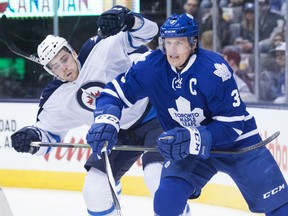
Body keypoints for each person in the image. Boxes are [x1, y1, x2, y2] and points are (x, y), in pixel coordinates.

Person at [86, 13, 288, 216]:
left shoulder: (214, 70)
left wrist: (192, 136)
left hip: (237, 145)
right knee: (166, 201)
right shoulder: (151, 66)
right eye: (167, 43)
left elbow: (232, 125)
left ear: (193, 43)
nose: (172, 51)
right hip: (189, 147)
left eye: (179, 43)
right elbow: (113, 92)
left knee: (280, 208)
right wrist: (107, 120)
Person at [10, 5, 168, 216]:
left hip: (154, 116)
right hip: (115, 132)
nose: (63, 68)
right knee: (94, 191)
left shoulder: (101, 48)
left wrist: (128, 20)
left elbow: (150, 32)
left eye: (64, 59)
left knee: (156, 178)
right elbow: (48, 134)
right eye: (54, 66)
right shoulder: (55, 97)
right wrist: (30, 137)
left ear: (73, 52)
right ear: (49, 71)